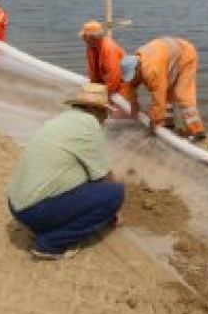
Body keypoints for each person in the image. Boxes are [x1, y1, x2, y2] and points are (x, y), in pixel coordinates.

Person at [7, 82, 124, 260]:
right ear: (95, 110)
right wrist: (111, 210)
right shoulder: (89, 124)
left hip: (16, 203)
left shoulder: (63, 118)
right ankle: (50, 244)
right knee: (115, 193)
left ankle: (47, 224)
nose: (106, 118)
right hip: (33, 211)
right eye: (105, 112)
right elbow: (104, 176)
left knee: (84, 177)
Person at [120, 36, 207, 142]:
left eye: (133, 75)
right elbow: (130, 86)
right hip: (167, 55)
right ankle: (168, 125)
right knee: (167, 91)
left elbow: (158, 100)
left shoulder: (152, 71)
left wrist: (154, 123)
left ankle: (197, 131)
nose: (132, 78)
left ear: (138, 68)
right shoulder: (133, 62)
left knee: (182, 94)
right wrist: (133, 106)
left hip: (185, 55)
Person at [79, 20, 127, 102]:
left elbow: (114, 77)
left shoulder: (109, 49)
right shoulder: (91, 47)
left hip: (123, 86)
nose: (83, 39)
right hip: (106, 84)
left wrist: (104, 96)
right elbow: (93, 73)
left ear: (93, 37)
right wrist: (94, 90)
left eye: (84, 37)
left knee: (120, 111)